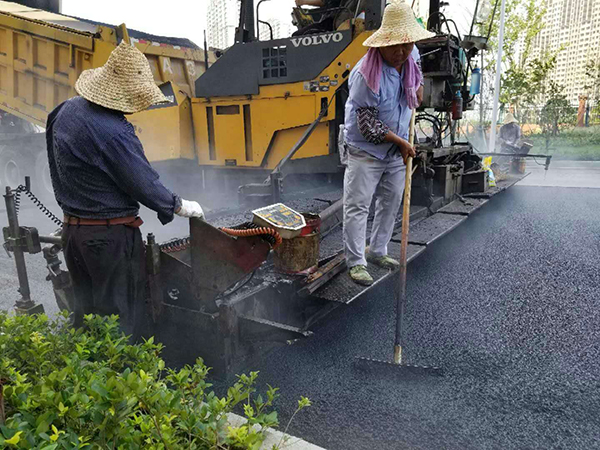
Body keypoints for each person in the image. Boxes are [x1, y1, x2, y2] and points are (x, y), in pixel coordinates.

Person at [46, 42, 204, 333]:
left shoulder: (65, 110)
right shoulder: (114, 132)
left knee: (86, 315)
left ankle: (84, 361)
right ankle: (122, 363)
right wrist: (179, 206)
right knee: (120, 320)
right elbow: (142, 183)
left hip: (73, 234)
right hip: (109, 241)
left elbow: (55, 163)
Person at [342, 1, 434, 286]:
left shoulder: (411, 54)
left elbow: (417, 67)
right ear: (382, 43)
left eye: (406, 45)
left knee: (392, 199)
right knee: (358, 205)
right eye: (395, 46)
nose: (401, 52)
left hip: (396, 147)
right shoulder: (365, 75)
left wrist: (419, 86)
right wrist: (402, 142)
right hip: (365, 149)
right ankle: (356, 262)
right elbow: (367, 125)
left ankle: (378, 251)